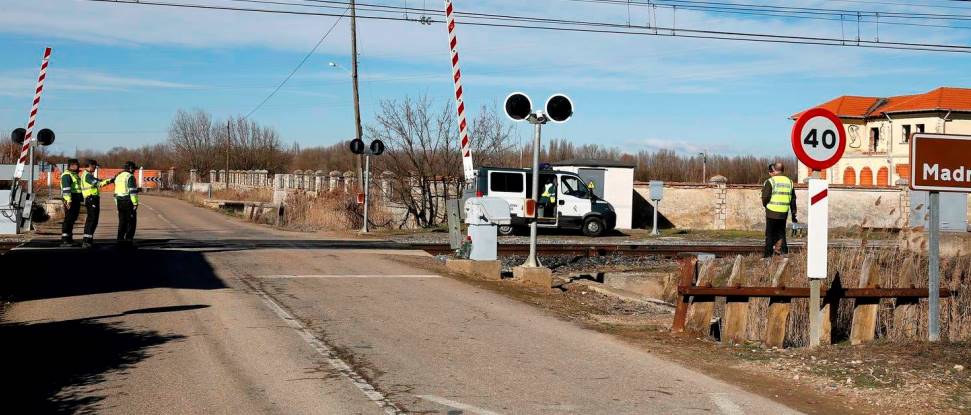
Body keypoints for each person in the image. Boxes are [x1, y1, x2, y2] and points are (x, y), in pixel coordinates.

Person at [762, 162, 797, 257]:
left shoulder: (771, 181)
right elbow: (793, 199)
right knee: (781, 233)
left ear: (774, 170)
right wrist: (794, 213)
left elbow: (765, 197)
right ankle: (784, 253)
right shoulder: (789, 182)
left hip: (771, 211)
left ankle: (768, 255)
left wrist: (766, 205)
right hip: (784, 212)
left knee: (769, 234)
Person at [79, 159, 113, 248]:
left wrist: (107, 180)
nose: (95, 168)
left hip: (90, 199)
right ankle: (87, 242)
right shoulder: (88, 176)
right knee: (92, 220)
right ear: (90, 166)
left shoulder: (87, 175)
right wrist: (111, 180)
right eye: (94, 166)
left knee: (91, 220)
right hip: (91, 199)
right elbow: (99, 184)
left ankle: (88, 240)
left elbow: (98, 181)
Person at [114, 161, 140, 247]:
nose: (134, 171)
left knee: (122, 221)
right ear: (131, 168)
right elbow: (132, 191)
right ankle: (128, 240)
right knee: (131, 222)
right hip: (128, 201)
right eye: (134, 169)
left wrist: (116, 204)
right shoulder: (130, 177)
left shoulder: (118, 176)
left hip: (119, 201)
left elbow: (115, 192)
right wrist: (135, 203)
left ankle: (120, 239)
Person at [59, 159, 82, 246]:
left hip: (75, 199)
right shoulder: (66, 175)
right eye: (76, 165)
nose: (77, 166)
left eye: (77, 164)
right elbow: (66, 189)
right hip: (70, 200)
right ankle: (65, 240)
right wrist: (68, 201)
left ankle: (69, 239)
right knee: (68, 219)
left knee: (72, 219)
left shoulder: (74, 175)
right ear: (71, 165)